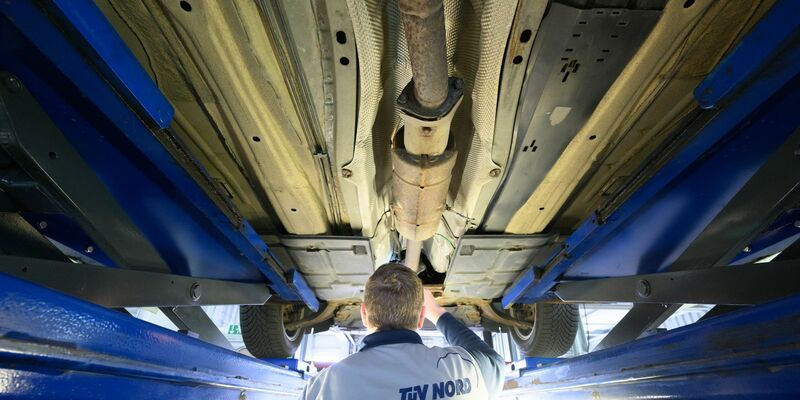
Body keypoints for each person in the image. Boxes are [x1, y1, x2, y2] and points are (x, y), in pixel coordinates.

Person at [301, 262, 505, 399]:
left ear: (364, 314)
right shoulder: (461, 368)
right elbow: (493, 362)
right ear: (421, 317)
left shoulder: (326, 385)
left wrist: (432, 311)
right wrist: (437, 312)